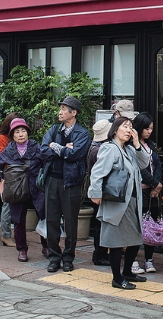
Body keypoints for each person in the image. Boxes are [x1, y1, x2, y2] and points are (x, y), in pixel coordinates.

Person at [88, 115, 150, 290]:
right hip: (117, 202)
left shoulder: (130, 150)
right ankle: (117, 278)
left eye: (131, 127)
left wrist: (138, 143)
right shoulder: (109, 148)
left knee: (135, 238)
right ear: (114, 129)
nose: (129, 130)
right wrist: (95, 193)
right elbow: (97, 172)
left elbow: (144, 163)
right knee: (116, 241)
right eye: (125, 126)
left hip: (132, 201)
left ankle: (128, 272)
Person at [41, 96, 91, 273]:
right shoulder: (54, 129)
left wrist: (54, 147)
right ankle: (54, 257)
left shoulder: (83, 133)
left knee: (71, 222)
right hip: (52, 180)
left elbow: (75, 155)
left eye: (64, 109)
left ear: (74, 112)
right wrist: (60, 147)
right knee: (52, 221)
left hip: (71, 183)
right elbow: (43, 150)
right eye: (60, 108)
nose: (60, 112)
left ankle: (68, 257)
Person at [0, 118, 48, 262]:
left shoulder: (36, 147)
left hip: (36, 189)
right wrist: (4, 180)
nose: (21, 134)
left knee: (43, 216)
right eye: (17, 132)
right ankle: (22, 249)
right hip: (17, 190)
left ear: (27, 132)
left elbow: (46, 163)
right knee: (18, 221)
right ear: (12, 135)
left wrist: (43, 179)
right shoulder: (9, 150)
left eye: (23, 130)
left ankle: (46, 246)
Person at [130, 112, 163, 274]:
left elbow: (157, 165)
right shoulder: (131, 146)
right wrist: (154, 182)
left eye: (151, 128)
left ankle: (149, 259)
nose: (149, 131)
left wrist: (157, 186)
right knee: (137, 225)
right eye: (146, 128)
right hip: (138, 191)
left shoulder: (152, 145)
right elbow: (140, 168)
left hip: (153, 192)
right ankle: (133, 259)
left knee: (152, 224)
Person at [0, 112, 21, 248]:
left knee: (12, 206)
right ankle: (5, 235)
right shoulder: (1, 138)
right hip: (6, 176)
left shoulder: (10, 138)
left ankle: (10, 235)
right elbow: (2, 160)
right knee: (7, 205)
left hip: (16, 177)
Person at [86, 118, 112, 266]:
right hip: (100, 193)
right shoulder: (100, 149)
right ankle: (99, 254)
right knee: (101, 224)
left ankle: (100, 253)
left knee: (100, 223)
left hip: (97, 192)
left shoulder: (94, 146)